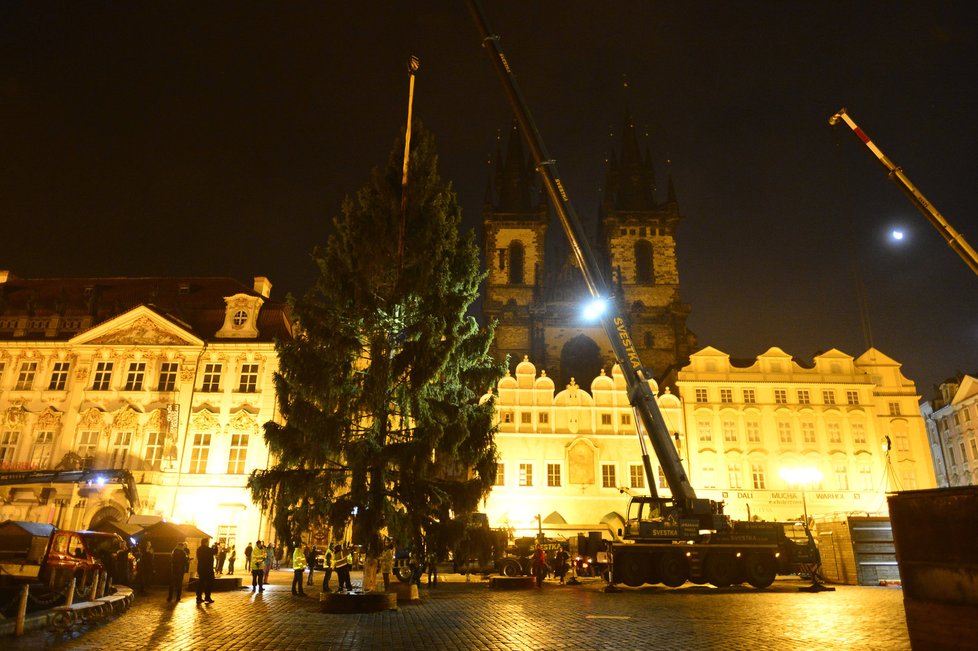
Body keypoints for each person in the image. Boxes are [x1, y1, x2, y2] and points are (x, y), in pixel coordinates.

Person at [196, 538, 216, 603]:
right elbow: (215, 552)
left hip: (201, 568)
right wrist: (215, 546)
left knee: (201, 582)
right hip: (208, 569)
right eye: (208, 542)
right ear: (206, 542)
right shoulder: (207, 549)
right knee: (210, 582)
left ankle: (199, 597)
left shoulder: (199, 549)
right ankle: (207, 597)